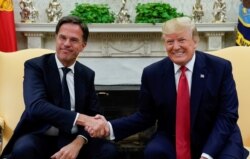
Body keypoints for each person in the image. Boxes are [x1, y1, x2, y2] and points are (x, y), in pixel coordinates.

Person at [86, 17, 249, 159]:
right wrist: (109, 127)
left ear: (195, 41)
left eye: (181, 40)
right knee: (154, 151)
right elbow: (145, 116)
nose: (175, 47)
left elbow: (227, 116)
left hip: (217, 137)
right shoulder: (153, 73)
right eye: (170, 41)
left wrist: (207, 155)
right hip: (174, 137)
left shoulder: (220, 68)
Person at [0, 15, 117, 159]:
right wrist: (82, 119)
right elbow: (36, 106)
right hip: (40, 135)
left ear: (83, 45)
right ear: (56, 38)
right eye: (62, 37)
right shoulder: (35, 66)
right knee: (24, 149)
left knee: (108, 151)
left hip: (74, 137)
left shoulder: (86, 74)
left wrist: (78, 143)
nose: (66, 43)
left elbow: (93, 115)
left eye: (74, 40)